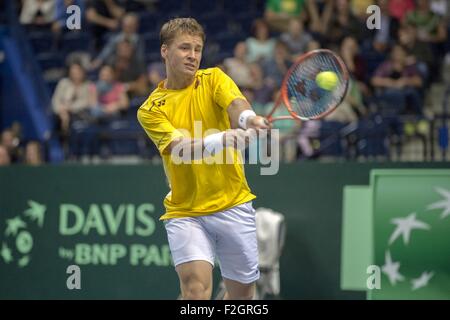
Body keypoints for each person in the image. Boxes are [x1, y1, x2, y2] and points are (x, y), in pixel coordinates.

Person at [137, 18, 270, 300]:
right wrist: (221, 139)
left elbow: (236, 105)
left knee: (243, 297)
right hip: (185, 211)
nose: (193, 55)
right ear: (165, 51)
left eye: (197, 49)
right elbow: (178, 147)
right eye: (185, 48)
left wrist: (248, 119)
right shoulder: (150, 109)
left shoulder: (214, 79)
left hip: (233, 203)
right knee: (195, 291)